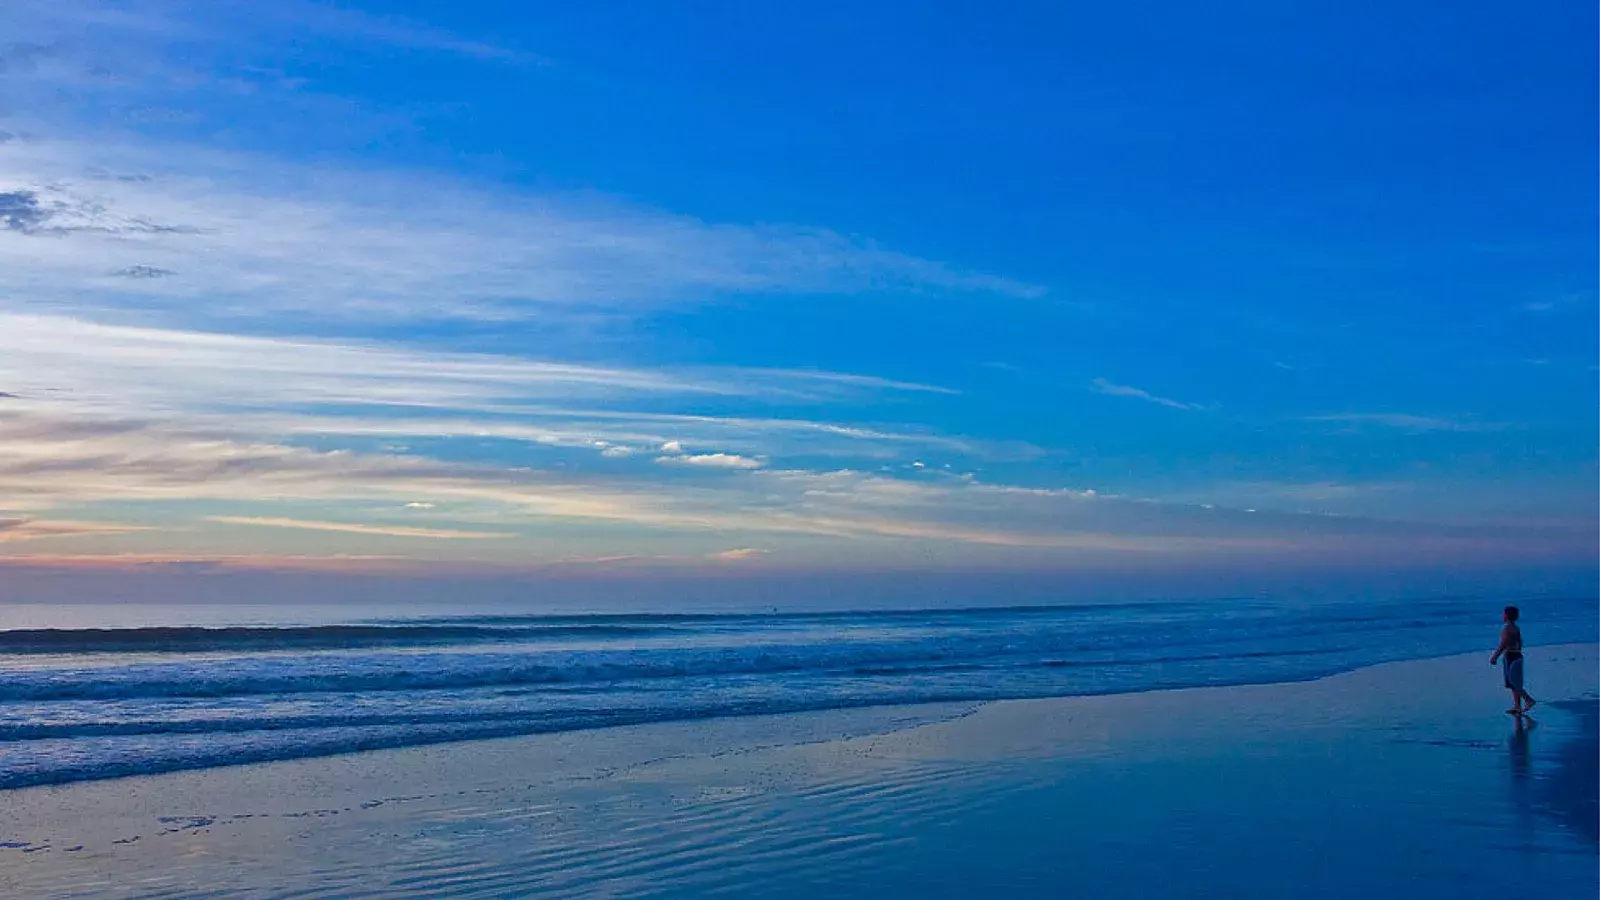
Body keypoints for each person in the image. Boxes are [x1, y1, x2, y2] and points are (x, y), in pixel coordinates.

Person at [1490, 605, 1536, 716]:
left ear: (1506, 615)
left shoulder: (1507, 629)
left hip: (1510, 656)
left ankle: (1528, 700)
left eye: (1504, 614)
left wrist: (1495, 656)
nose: (1502, 615)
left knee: (1513, 682)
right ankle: (1517, 706)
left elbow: (1503, 644)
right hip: (1517, 654)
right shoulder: (1516, 628)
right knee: (1514, 683)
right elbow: (1520, 641)